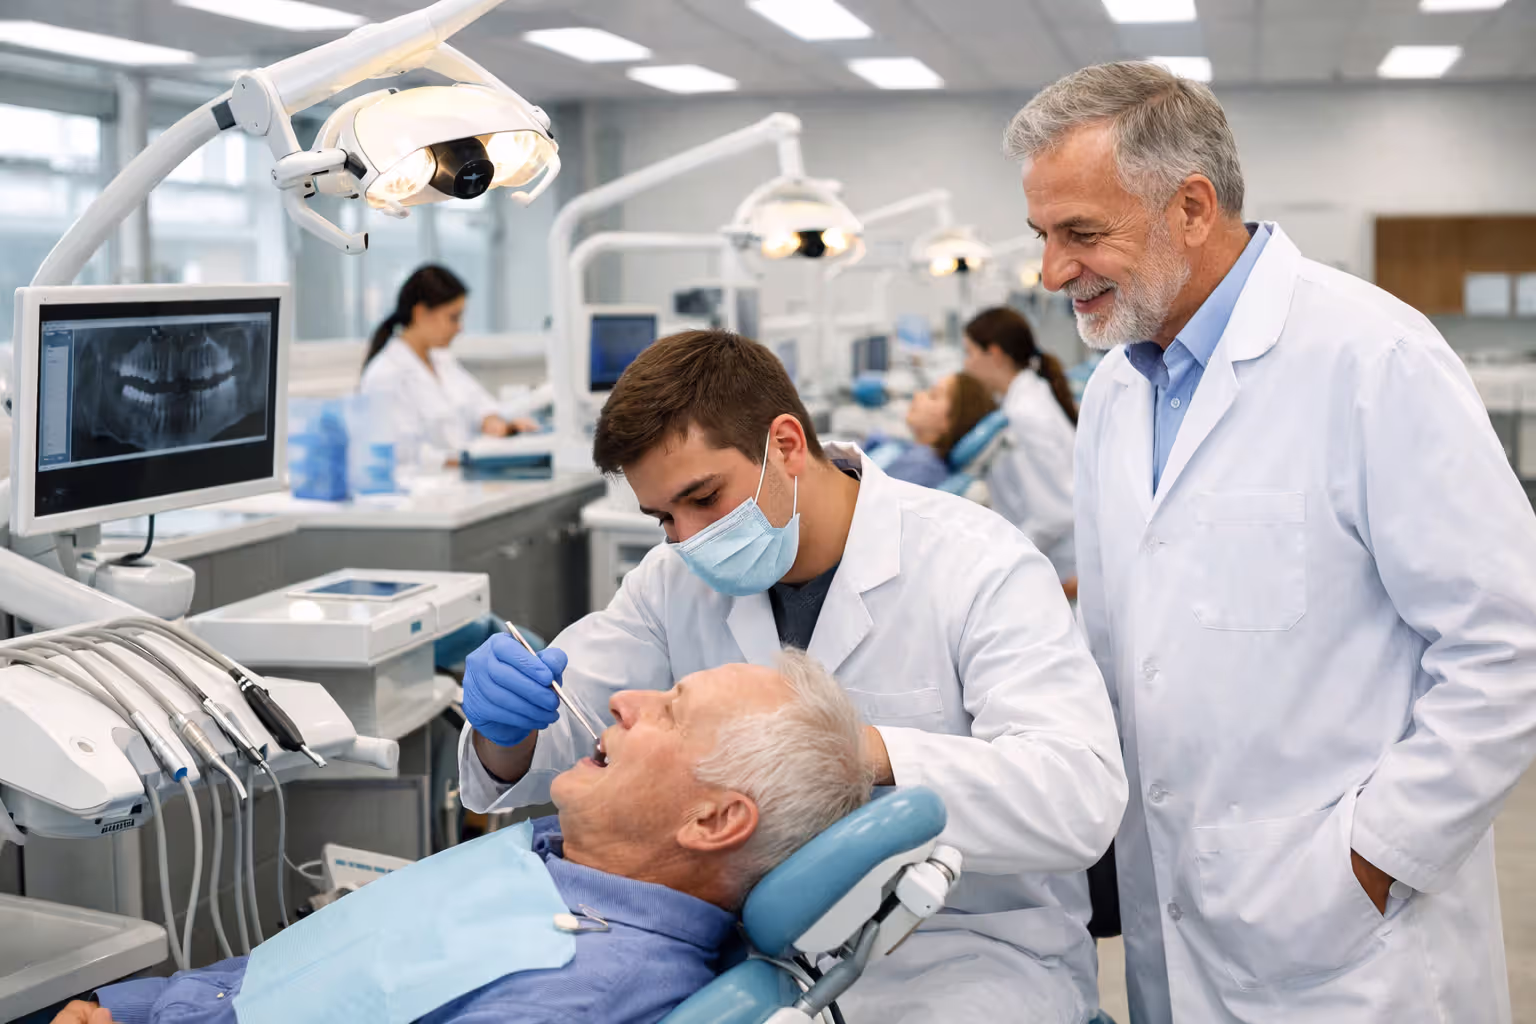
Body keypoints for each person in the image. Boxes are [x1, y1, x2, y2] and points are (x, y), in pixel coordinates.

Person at [1010, 61, 1536, 1024]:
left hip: (1353, 945)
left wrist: (1374, 862)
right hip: (1180, 925)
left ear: (1193, 208)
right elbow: (1123, 655)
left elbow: (1510, 644)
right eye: (1043, 236)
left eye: (1082, 233)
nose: (1052, 272)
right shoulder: (1116, 394)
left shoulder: (1372, 356)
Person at [456, 329, 1127, 1024]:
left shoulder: (978, 565)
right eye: (663, 517)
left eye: (705, 498)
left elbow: (1079, 795)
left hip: (961, 951)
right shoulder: (671, 579)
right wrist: (506, 733)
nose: (686, 539)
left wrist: (862, 754)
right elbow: (571, 734)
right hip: (747, 954)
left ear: (785, 445)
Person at [49, 653, 873, 1024]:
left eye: (671, 709)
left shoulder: (572, 992)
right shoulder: (563, 865)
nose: (625, 698)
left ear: (713, 822)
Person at [358, 265, 538, 466]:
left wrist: (495, 423)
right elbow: (402, 453)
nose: (460, 328)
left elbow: (478, 403)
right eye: (453, 317)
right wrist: (465, 461)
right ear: (421, 314)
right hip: (425, 489)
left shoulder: (442, 361)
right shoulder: (385, 375)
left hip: (461, 481)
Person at [961, 306, 1078, 594]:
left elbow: (1056, 512)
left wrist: (1003, 559)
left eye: (970, 353)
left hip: (1063, 567)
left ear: (995, 354)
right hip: (1057, 557)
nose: (966, 365)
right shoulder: (1026, 399)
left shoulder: (1025, 414)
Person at [877, 372, 998, 489]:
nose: (918, 395)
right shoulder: (911, 453)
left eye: (933, 395)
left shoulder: (924, 467)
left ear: (951, 421)